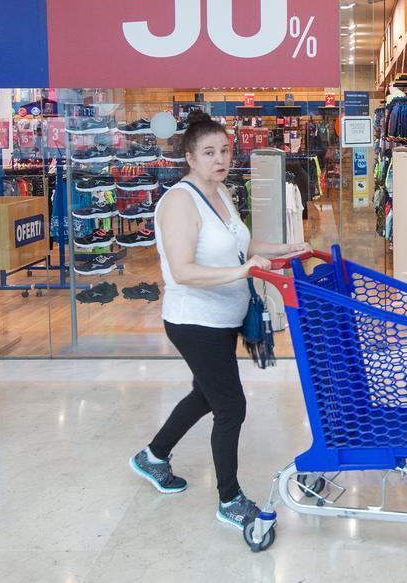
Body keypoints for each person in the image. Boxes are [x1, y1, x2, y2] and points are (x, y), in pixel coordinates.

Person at [129, 111, 310, 530]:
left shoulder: (221, 192)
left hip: (223, 316)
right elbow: (182, 270)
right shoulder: (179, 202)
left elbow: (243, 243)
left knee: (206, 394)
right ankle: (229, 499)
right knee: (231, 406)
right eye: (209, 152)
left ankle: (153, 456)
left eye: (225, 150)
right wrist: (243, 272)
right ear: (189, 157)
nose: (220, 158)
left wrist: (288, 248)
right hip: (194, 320)